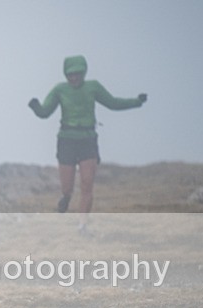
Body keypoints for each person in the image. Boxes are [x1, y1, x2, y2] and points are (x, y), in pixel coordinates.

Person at [28, 55, 146, 233]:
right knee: (67, 186)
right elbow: (45, 112)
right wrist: (35, 106)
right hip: (66, 140)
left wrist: (136, 102)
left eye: (77, 74)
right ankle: (66, 197)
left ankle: (82, 225)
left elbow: (113, 103)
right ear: (65, 74)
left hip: (87, 139)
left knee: (87, 183)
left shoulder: (93, 87)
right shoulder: (59, 90)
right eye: (70, 75)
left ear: (84, 72)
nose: (74, 78)